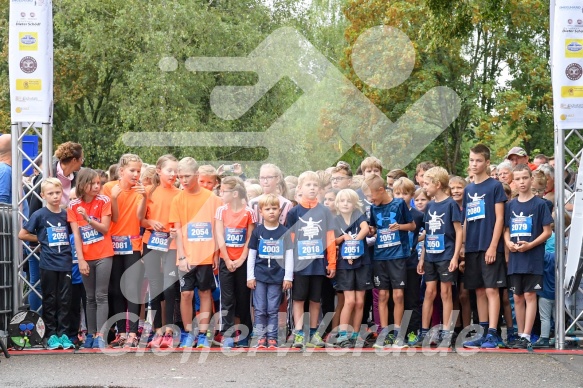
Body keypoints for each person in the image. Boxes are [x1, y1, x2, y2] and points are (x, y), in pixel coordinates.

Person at [169, 157, 223, 348]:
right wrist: (182, 256)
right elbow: (176, 230)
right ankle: (187, 332)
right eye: (180, 176)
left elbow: (218, 230)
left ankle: (202, 334)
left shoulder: (213, 200)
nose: (183, 180)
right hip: (186, 256)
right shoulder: (177, 199)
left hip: (206, 255)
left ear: (197, 175)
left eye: (187, 176)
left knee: (206, 292)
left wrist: (216, 254)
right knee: (186, 294)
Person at [18, 178, 75, 350]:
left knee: (65, 300)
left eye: (58, 193)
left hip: (65, 262)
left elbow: (73, 234)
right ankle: (50, 335)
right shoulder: (39, 215)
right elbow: (22, 234)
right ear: (43, 195)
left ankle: (64, 334)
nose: (55, 196)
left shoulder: (66, 214)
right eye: (51, 193)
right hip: (48, 263)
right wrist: (41, 239)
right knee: (50, 299)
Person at [461, 144, 508, 349]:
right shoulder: (468, 189)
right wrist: (463, 245)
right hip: (472, 247)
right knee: (479, 290)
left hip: (489, 246)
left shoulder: (495, 186)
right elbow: (465, 221)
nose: (474, 164)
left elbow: (500, 219)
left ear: (487, 163)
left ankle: (493, 333)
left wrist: (492, 246)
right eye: (472, 160)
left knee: (491, 290)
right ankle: (482, 330)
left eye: (478, 160)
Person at [363, 175, 415, 349]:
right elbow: (374, 229)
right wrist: (371, 231)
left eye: (372, 196)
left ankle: (399, 334)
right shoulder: (373, 208)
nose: (371, 200)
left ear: (380, 190)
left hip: (397, 255)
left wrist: (400, 226)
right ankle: (384, 334)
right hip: (380, 256)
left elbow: (412, 225)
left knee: (398, 295)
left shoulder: (399, 204)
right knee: (383, 295)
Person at [503, 164, 552, 349]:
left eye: (525, 178)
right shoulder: (511, 205)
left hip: (533, 257)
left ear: (531, 179)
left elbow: (547, 231)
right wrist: (508, 243)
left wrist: (530, 245)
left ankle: (526, 335)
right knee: (517, 297)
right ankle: (519, 332)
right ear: (513, 182)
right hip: (516, 258)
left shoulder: (540, 204)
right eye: (518, 179)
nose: (522, 182)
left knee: (530, 294)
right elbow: (506, 231)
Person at [286, 171, 337, 348]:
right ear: (300, 188)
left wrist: (332, 263)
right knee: (299, 299)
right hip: (300, 265)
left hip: (318, 264)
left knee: (316, 299)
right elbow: (289, 241)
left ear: (320, 189)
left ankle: (315, 333)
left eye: (315, 185)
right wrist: (289, 267)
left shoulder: (324, 211)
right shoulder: (294, 212)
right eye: (308, 185)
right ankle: (299, 333)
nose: (312, 188)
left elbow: (330, 238)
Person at [415, 167, 462, 348]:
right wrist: (422, 258)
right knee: (429, 292)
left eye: (427, 184)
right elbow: (427, 233)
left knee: (446, 293)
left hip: (446, 254)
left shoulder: (451, 204)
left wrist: (455, 256)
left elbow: (459, 231)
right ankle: (425, 332)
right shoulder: (429, 205)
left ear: (438, 184)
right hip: (430, 256)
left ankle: (447, 333)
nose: (424, 186)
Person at [102, 154, 146, 348]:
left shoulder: (141, 190)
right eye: (132, 170)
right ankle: (120, 332)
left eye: (138, 170)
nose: (136, 174)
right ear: (121, 171)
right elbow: (113, 218)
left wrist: (144, 197)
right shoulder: (108, 188)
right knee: (116, 289)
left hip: (133, 243)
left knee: (132, 289)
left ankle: (134, 333)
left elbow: (140, 217)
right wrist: (113, 197)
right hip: (113, 243)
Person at [137, 155, 181, 349]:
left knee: (170, 287)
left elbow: (184, 221)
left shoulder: (180, 193)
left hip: (172, 244)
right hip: (151, 242)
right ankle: (157, 331)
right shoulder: (147, 191)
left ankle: (170, 331)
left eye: (175, 170)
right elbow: (139, 219)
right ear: (158, 170)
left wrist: (176, 230)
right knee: (154, 286)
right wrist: (149, 223)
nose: (172, 174)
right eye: (169, 170)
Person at [68, 169, 114, 349]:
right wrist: (80, 259)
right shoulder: (73, 206)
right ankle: (90, 333)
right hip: (86, 257)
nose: (96, 186)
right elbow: (76, 235)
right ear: (82, 185)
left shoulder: (104, 201)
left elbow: (105, 228)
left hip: (104, 254)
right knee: (89, 297)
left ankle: (101, 335)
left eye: (98, 183)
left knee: (101, 295)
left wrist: (87, 219)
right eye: (92, 183)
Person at [247, 194, 294, 348]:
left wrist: (288, 277)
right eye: (267, 209)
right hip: (260, 276)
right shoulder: (258, 232)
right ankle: (260, 337)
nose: (271, 212)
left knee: (273, 309)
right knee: (260, 308)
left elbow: (289, 255)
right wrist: (250, 276)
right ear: (261, 212)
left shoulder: (284, 231)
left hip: (277, 276)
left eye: (274, 208)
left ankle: (272, 338)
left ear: (280, 211)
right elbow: (252, 255)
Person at [215, 176, 256, 348]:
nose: (221, 194)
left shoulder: (249, 213)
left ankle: (245, 333)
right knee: (227, 298)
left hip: (242, 261)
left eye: (224, 191)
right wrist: (226, 258)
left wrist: (241, 259)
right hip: (226, 260)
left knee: (243, 298)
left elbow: (250, 238)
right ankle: (228, 333)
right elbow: (219, 235)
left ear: (235, 193)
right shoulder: (221, 211)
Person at [333, 189, 371, 348]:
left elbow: (365, 229)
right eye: (342, 201)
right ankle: (343, 335)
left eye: (349, 201)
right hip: (344, 265)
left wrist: (354, 241)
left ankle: (356, 335)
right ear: (337, 204)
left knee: (360, 301)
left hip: (362, 262)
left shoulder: (359, 216)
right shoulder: (335, 220)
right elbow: (334, 241)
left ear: (355, 203)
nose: (345, 204)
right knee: (349, 301)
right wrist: (343, 238)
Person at [392, 178, 424, 346]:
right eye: (397, 193)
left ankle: (412, 332)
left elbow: (426, 232)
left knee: (412, 298)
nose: (401, 197)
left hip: (411, 262)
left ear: (412, 195)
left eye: (405, 194)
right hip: (392, 262)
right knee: (395, 298)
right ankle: (395, 332)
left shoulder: (418, 215)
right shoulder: (389, 213)